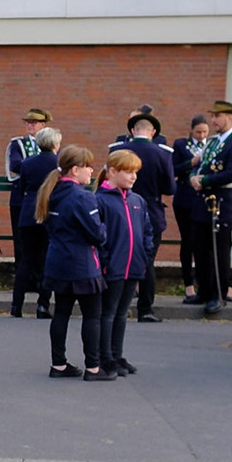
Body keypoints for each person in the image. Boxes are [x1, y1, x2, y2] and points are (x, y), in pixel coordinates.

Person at [36, 145, 107, 379]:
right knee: (92, 316)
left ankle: (58, 364)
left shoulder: (52, 192)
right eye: (88, 167)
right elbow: (97, 234)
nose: (92, 171)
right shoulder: (83, 197)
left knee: (61, 313)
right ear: (75, 170)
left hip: (58, 261)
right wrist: (104, 229)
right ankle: (93, 367)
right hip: (82, 264)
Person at [91, 149, 153, 378]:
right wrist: (104, 262)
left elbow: (147, 231)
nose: (134, 176)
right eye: (129, 171)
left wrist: (144, 257)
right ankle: (104, 356)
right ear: (113, 172)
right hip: (113, 267)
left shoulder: (137, 200)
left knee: (122, 313)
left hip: (134, 266)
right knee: (107, 313)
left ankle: (117, 355)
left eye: (136, 172)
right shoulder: (101, 200)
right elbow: (100, 236)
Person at [112, 106, 174, 322]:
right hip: (152, 211)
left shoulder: (117, 150)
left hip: (120, 211)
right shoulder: (163, 154)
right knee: (147, 261)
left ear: (132, 130)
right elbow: (169, 188)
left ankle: (115, 304)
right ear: (153, 132)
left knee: (117, 257)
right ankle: (145, 308)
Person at [186, 100, 232, 314]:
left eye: (218, 116)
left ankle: (218, 294)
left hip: (222, 203)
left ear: (229, 117)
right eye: (213, 116)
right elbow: (202, 165)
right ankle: (204, 290)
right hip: (203, 203)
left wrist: (203, 181)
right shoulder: (211, 142)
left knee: (219, 250)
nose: (214, 120)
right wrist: (195, 177)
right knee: (200, 248)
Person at [11, 128, 63, 319]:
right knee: (46, 260)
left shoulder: (27, 163)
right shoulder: (59, 165)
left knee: (26, 260)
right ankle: (43, 305)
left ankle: (16, 305)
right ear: (56, 144)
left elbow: (22, 186)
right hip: (50, 213)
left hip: (28, 213)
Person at [6, 107, 50, 302]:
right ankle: (24, 282)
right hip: (21, 199)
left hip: (44, 199)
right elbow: (14, 165)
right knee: (21, 242)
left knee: (44, 243)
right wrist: (38, 165)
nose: (30, 126)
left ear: (43, 125)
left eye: (35, 123)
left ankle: (40, 280)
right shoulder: (18, 144)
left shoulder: (49, 144)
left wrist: (30, 166)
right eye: (28, 122)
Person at [172, 114, 211, 301]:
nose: (202, 135)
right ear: (192, 130)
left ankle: (207, 283)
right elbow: (173, 169)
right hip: (185, 198)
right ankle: (188, 283)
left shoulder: (212, 145)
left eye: (205, 132)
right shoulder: (181, 145)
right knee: (187, 241)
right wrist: (191, 163)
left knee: (202, 242)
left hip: (203, 198)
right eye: (198, 132)